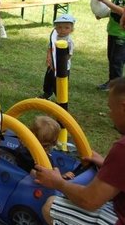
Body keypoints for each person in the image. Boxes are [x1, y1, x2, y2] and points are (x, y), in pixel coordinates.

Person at [34, 77, 125, 225]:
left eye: (111, 108)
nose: (110, 115)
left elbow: (89, 201)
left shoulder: (122, 149)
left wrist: (58, 183)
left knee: (50, 205)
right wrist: (105, 163)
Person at [96, 0, 125, 91]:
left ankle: (117, 89)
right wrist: (102, 14)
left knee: (117, 61)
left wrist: (106, 1)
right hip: (112, 31)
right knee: (111, 59)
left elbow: (123, 11)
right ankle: (112, 83)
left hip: (121, 34)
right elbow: (113, 10)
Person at [40, 14, 76, 99]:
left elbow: (69, 55)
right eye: (59, 27)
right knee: (48, 80)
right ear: (55, 28)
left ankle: (60, 98)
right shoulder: (54, 37)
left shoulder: (69, 41)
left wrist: (59, 64)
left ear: (72, 29)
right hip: (52, 65)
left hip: (63, 67)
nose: (63, 30)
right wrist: (49, 57)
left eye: (66, 28)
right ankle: (47, 93)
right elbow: (50, 47)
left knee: (60, 83)